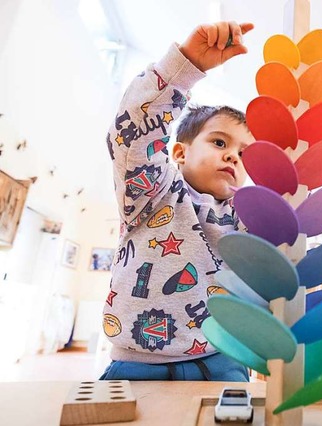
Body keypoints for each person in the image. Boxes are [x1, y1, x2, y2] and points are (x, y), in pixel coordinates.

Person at [100, 21, 256, 381]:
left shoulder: (247, 213)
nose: (234, 156)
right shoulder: (153, 191)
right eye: (220, 143)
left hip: (224, 358)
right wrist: (184, 67)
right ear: (180, 153)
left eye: (245, 154)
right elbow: (134, 133)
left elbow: (283, 253)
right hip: (137, 362)